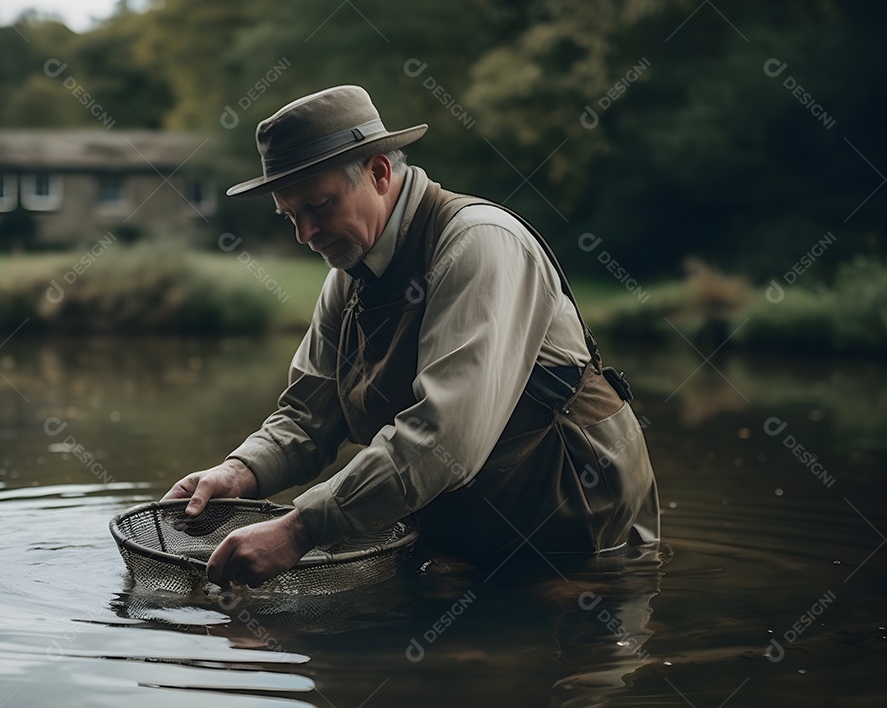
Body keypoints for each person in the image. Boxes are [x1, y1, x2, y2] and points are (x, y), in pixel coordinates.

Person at [163, 85, 659, 588]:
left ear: (379, 173)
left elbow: (442, 440)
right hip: (473, 540)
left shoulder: (479, 244)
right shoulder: (350, 269)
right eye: (292, 216)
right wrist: (240, 471)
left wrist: (300, 528)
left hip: (581, 542)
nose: (305, 234)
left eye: (319, 205)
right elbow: (307, 415)